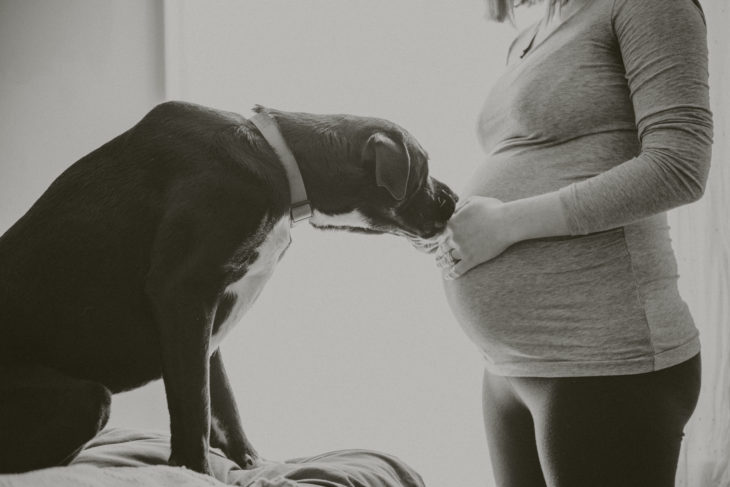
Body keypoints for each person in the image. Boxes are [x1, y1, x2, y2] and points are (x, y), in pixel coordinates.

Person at [434, 0, 713, 485]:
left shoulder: (647, 6)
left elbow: (679, 167)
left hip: (605, 361)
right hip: (507, 370)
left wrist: (505, 224)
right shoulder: (528, 37)